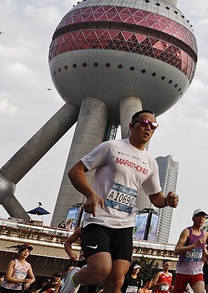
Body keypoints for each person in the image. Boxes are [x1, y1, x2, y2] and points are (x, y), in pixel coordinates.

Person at [60, 110, 178, 293]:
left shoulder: (150, 162)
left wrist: (168, 201)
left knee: (116, 280)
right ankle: (74, 278)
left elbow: (156, 198)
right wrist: (90, 194)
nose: (149, 128)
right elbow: (75, 171)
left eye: (153, 126)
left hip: (124, 225)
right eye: (144, 123)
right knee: (100, 270)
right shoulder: (111, 147)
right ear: (131, 126)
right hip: (99, 220)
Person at [174, 210, 208, 293]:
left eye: (203, 217)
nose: (201, 218)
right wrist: (193, 246)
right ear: (193, 218)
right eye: (198, 216)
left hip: (197, 272)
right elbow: (177, 250)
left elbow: (203, 250)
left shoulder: (205, 234)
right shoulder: (187, 232)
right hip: (183, 271)